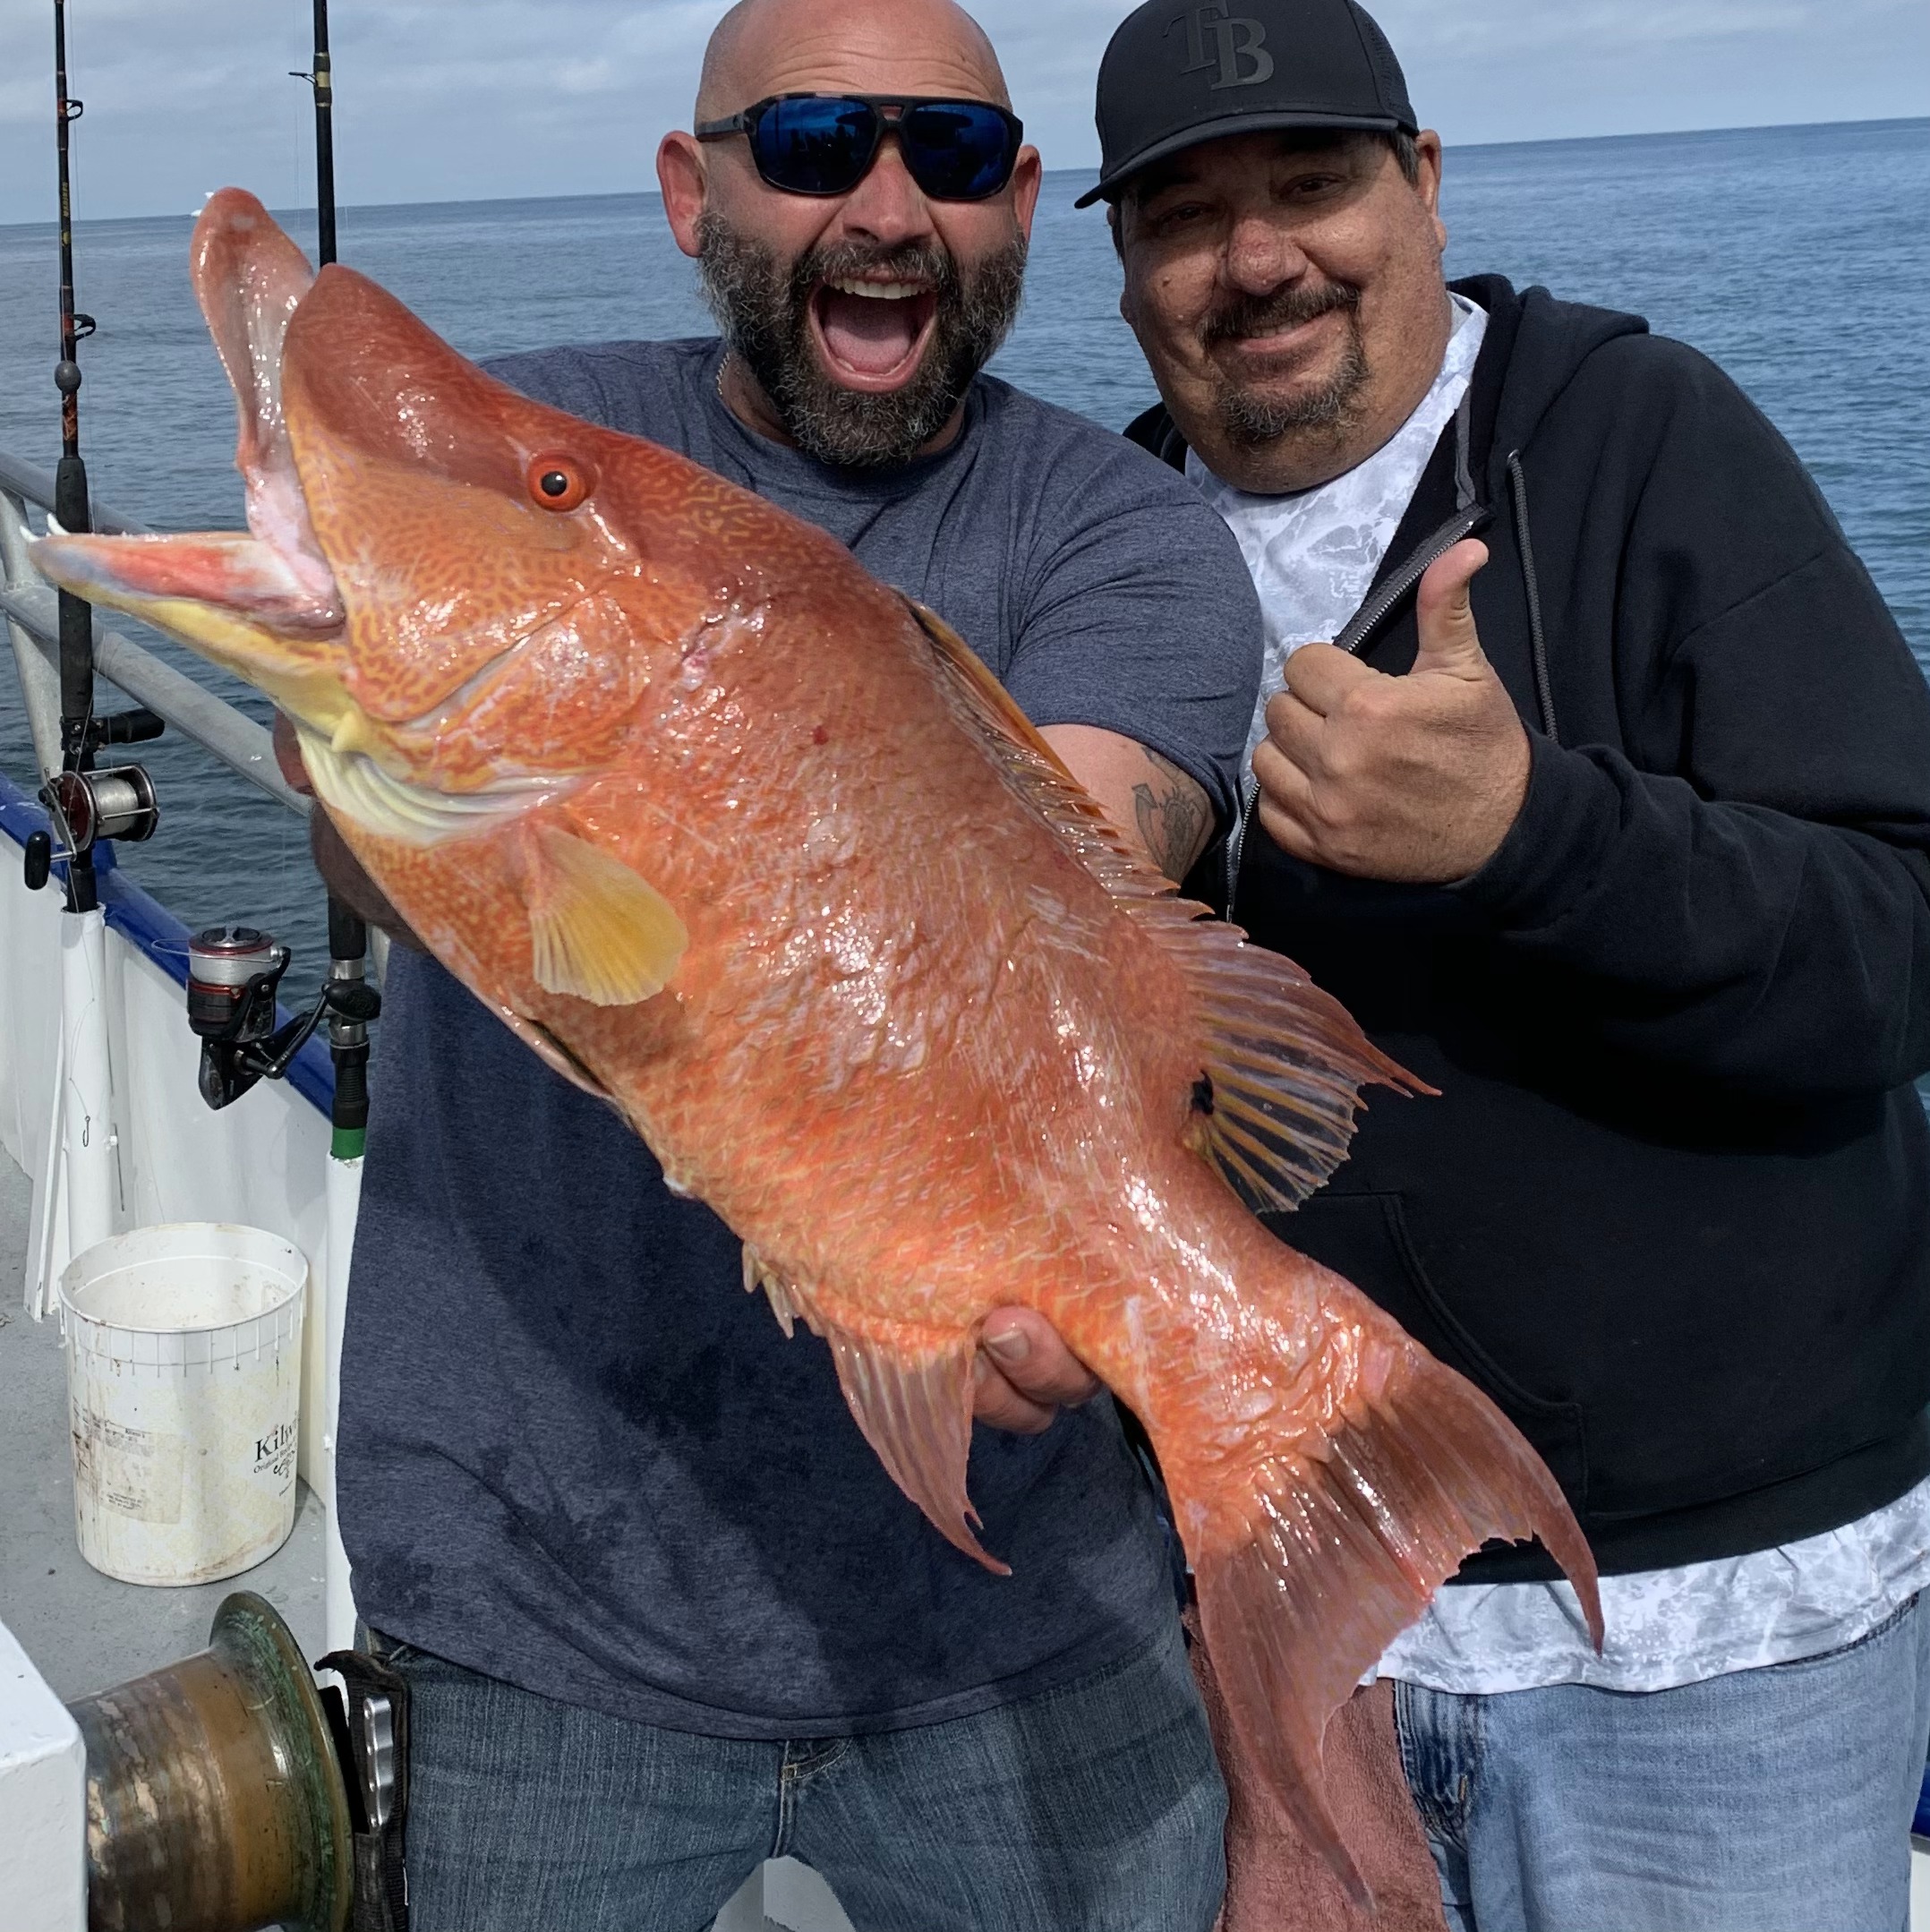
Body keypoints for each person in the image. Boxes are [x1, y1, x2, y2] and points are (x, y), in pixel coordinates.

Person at [297, 1, 1266, 1927]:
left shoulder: (1123, 530)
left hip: (1028, 1620)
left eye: (956, 157)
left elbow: (1100, 847)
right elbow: (366, 824)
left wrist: (1067, 1252)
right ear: (691, 188)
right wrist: (387, 713)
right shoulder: (552, 446)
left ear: (1019, 209)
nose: (889, 205)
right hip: (531, 1605)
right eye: (817, 141)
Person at [1090, 1, 1930, 1927]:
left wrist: (1534, 835)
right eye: (1188, 214)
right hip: (1283, 1610)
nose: (1259, 257)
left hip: (1705, 1631)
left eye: (1312, 184)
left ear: (1426, 185)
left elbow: (1897, 940)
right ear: (1127, 267)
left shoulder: (1641, 437)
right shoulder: (1111, 546)